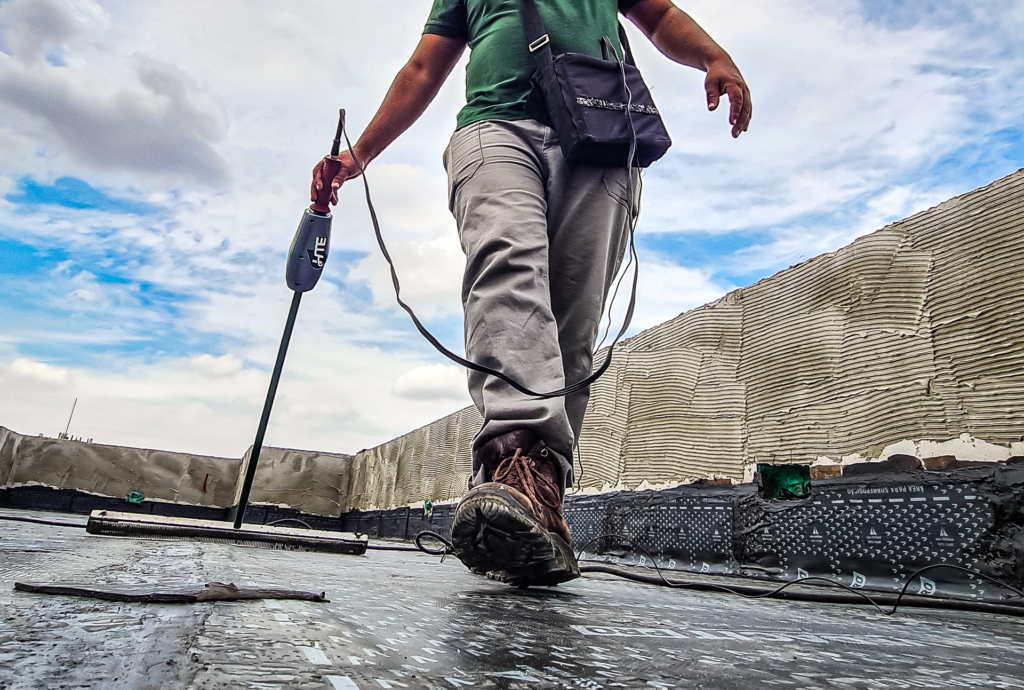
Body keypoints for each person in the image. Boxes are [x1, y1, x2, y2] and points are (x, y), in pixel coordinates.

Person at [312, 0, 751, 587]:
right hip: (494, 129)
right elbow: (423, 68)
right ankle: (511, 455)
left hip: (599, 131)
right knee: (506, 261)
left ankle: (541, 496)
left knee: (574, 317)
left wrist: (713, 57)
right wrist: (360, 153)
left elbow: (660, 16)